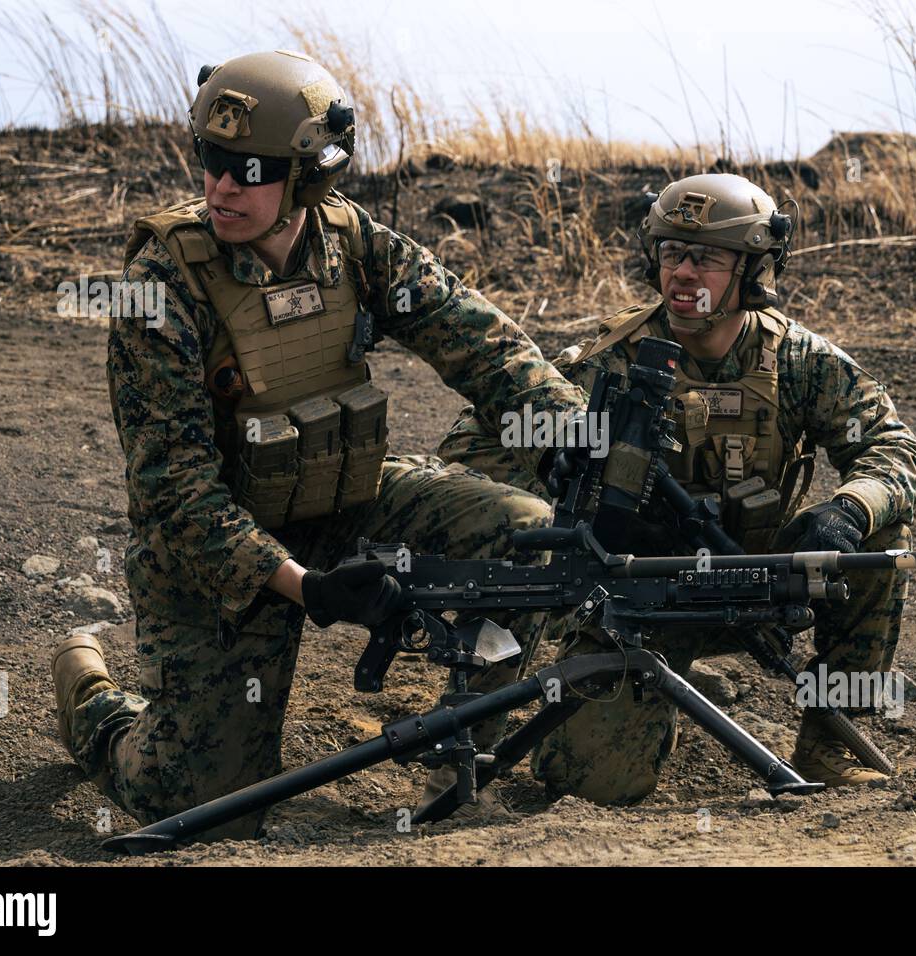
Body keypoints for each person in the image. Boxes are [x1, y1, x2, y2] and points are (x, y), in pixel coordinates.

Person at [50, 50, 583, 839]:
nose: (222, 186)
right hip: (221, 556)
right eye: (212, 161)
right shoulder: (159, 289)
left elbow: (480, 342)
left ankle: (460, 736)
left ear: (306, 179)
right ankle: (91, 696)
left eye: (251, 169)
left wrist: (571, 430)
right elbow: (176, 493)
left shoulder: (352, 242)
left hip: (346, 499)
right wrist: (309, 588)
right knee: (202, 810)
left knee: (524, 530)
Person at [438, 173, 916, 803]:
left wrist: (848, 510)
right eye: (672, 254)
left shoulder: (800, 361)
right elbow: (473, 445)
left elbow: (894, 447)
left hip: (753, 580)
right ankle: (462, 738)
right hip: (629, 596)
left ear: (751, 272)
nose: (683, 273)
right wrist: (561, 489)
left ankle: (831, 740)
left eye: (706, 259)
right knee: (591, 785)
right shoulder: (605, 360)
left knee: (880, 537)